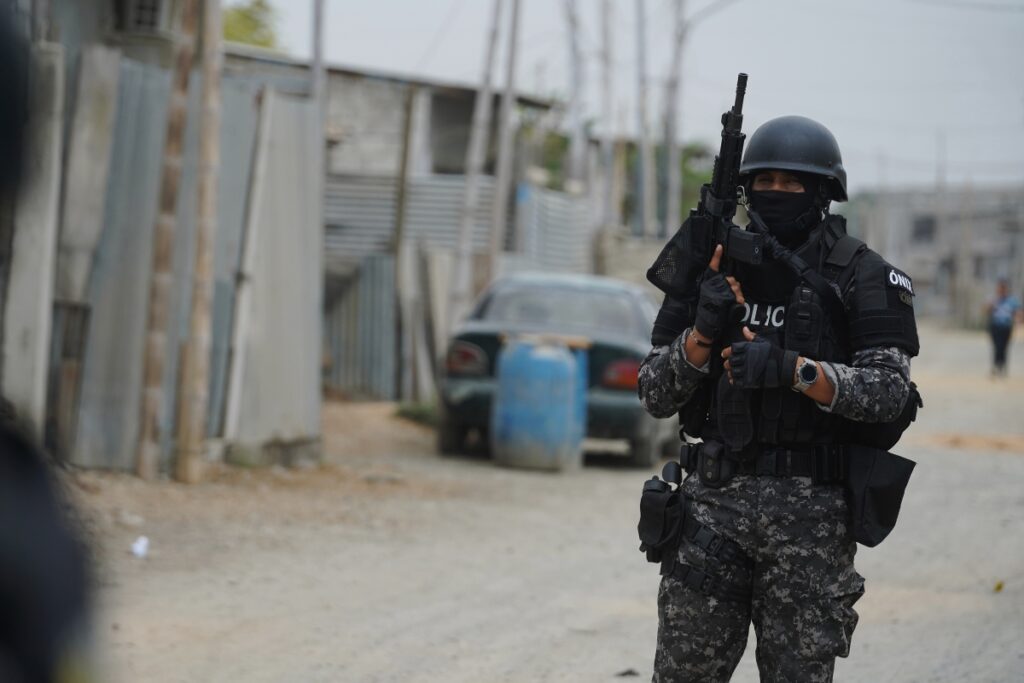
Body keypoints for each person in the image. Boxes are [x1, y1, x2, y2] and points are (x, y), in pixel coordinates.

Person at [638, 115, 920, 682]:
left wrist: (796, 371)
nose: (776, 194)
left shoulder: (860, 274)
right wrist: (701, 333)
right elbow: (653, 392)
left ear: (822, 193)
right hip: (712, 509)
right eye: (764, 182)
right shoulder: (711, 262)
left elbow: (891, 393)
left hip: (811, 521)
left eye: (793, 184)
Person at [984, 279, 1021, 377]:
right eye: (1000, 288)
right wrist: (991, 305)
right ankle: (996, 365)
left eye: (1003, 288)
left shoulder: (1012, 300)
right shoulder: (994, 299)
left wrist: (1018, 320)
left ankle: (1002, 366)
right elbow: (986, 310)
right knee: (997, 347)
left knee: (1004, 347)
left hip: (1006, 326)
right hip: (995, 326)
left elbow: (1018, 312)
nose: (1001, 290)